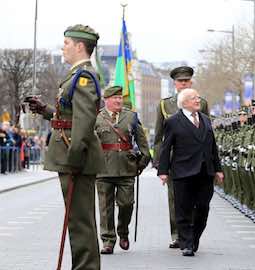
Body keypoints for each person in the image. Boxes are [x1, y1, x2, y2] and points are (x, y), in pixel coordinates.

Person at [27, 24, 105, 270]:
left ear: (80, 46)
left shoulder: (83, 77)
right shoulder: (77, 75)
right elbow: (72, 117)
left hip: (75, 156)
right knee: (80, 219)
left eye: (67, 43)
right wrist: (45, 111)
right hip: (74, 152)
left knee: (80, 221)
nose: (64, 47)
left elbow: (83, 122)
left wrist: (73, 158)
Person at [157, 88, 224, 257]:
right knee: (183, 209)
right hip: (182, 172)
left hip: (205, 172)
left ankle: (194, 238)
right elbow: (166, 148)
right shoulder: (173, 121)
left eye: (198, 97)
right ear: (184, 102)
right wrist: (163, 171)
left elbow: (213, 148)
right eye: (194, 98)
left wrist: (218, 169)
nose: (198, 100)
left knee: (203, 208)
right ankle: (186, 244)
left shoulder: (206, 120)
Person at [153, 66, 209, 249]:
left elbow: (206, 132)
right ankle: (178, 234)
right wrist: (160, 163)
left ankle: (192, 233)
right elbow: (160, 137)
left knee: (199, 201)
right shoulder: (165, 104)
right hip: (175, 161)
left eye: (187, 81)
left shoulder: (202, 103)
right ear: (175, 83)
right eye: (180, 81)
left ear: (191, 82)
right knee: (176, 199)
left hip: (198, 160)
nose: (183, 83)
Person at [95, 86, 151, 254]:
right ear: (106, 100)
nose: (119, 101)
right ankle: (108, 240)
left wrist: (141, 164)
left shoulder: (131, 116)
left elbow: (143, 143)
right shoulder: (96, 118)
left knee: (126, 204)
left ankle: (123, 231)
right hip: (103, 169)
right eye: (115, 98)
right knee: (105, 207)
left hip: (127, 168)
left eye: (120, 98)